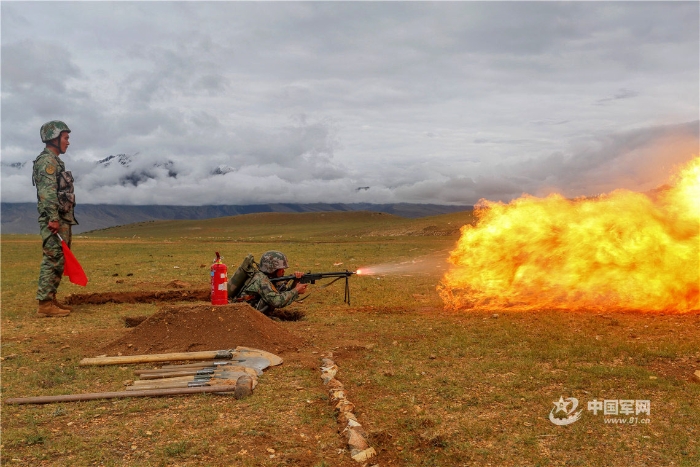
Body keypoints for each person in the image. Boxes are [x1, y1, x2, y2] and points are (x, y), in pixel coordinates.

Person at [32, 120, 78, 318]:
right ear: (54, 138)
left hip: (61, 218)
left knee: (59, 259)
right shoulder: (47, 162)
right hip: (54, 219)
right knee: (53, 258)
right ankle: (44, 304)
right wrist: (52, 218)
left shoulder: (56, 161)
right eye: (66, 138)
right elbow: (48, 193)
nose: (68, 142)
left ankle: (51, 299)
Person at [239, 250, 308, 318]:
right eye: (281, 269)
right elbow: (277, 301)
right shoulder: (262, 280)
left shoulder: (267, 277)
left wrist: (295, 282)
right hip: (245, 316)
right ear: (272, 269)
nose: (283, 271)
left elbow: (282, 293)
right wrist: (296, 290)